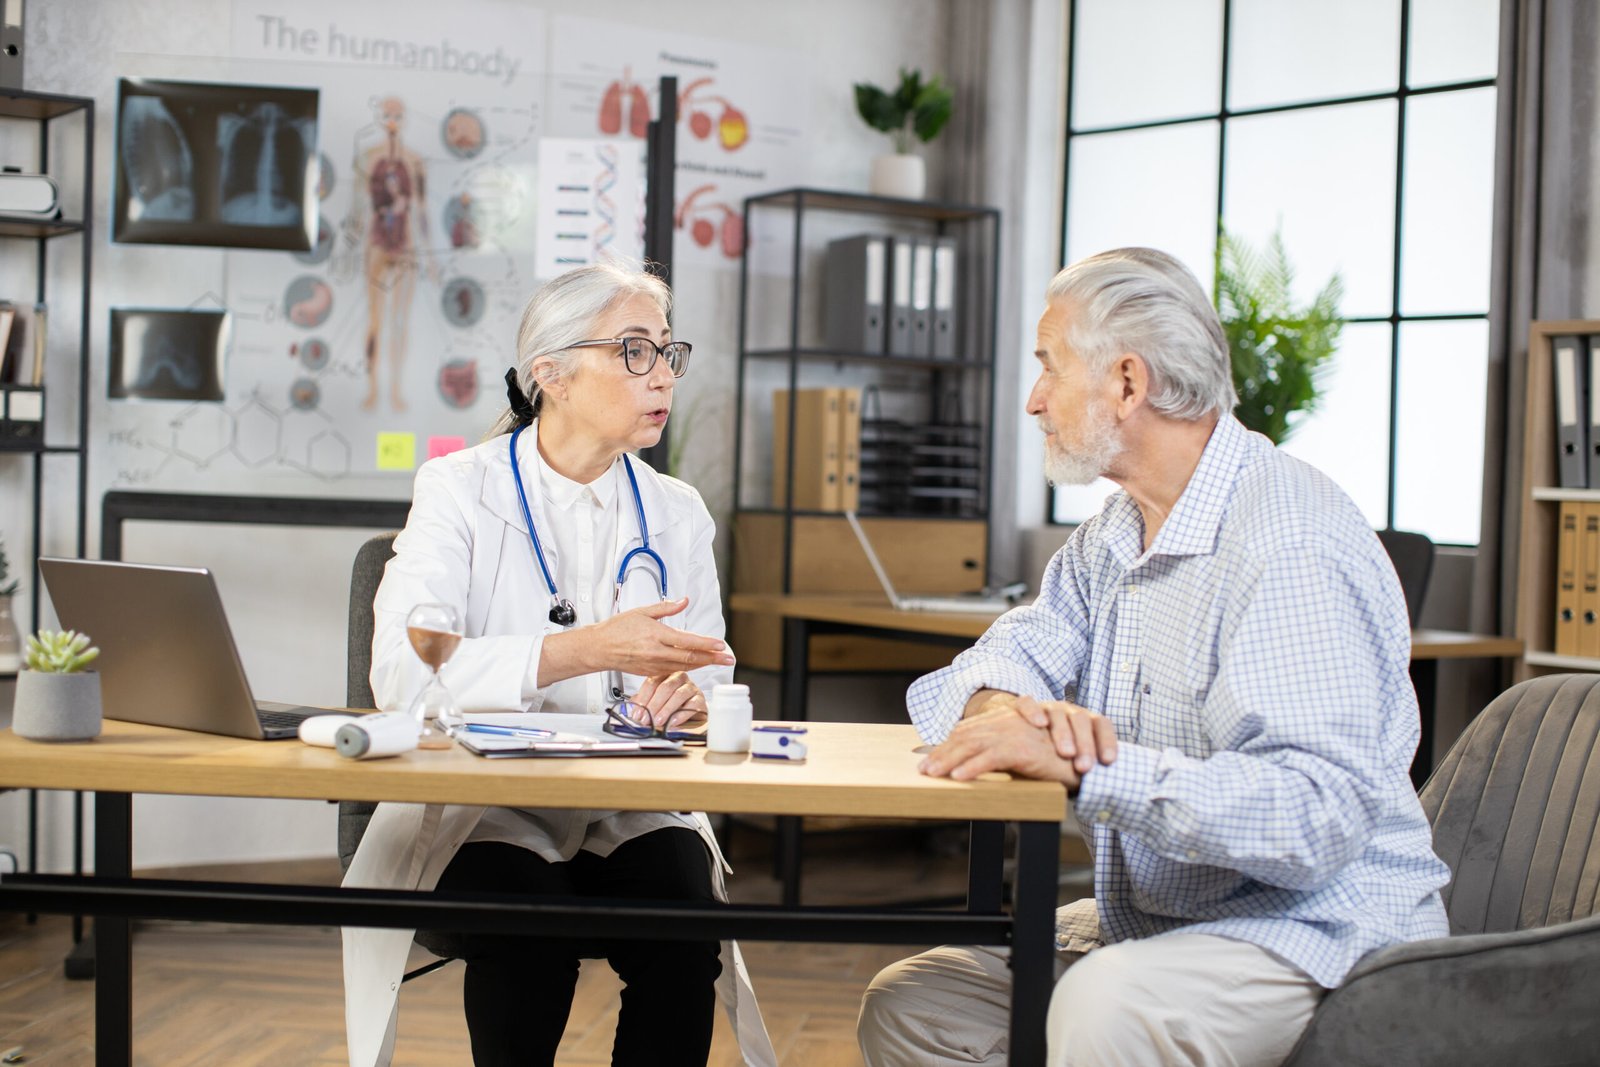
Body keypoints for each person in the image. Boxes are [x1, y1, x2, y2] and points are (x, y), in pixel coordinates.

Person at [856, 248, 1451, 1067]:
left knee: (1110, 1006)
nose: (1034, 400)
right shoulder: (1117, 532)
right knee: (916, 1003)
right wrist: (1008, 714)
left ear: (1127, 383)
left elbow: (1315, 815)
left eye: (1049, 367)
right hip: (1168, 921)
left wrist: (1086, 767)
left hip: (1317, 930)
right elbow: (1005, 654)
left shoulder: (1288, 542)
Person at [341, 264, 775, 1067]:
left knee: (683, 928)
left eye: (668, 354)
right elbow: (402, 674)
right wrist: (583, 650)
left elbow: (711, 671)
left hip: (631, 799)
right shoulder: (458, 488)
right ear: (551, 374)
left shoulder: (676, 511)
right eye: (634, 352)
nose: (663, 377)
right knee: (525, 939)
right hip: (488, 801)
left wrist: (687, 699)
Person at [341, 95, 435, 413]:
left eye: (398, 113)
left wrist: (432, 259)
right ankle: (372, 390)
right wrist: (346, 251)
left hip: (405, 245)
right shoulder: (368, 158)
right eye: (387, 113)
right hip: (378, 244)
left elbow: (421, 212)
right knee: (375, 320)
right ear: (379, 117)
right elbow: (356, 211)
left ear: (405, 117)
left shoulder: (415, 161)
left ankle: (395, 390)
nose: (392, 119)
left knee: (400, 321)